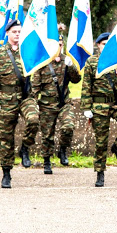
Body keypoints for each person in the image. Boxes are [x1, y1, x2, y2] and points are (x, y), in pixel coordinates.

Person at [0, 19, 39, 189]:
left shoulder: (28, 50)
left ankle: (25, 147)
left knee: (33, 120)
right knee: (6, 137)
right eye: (14, 32)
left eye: (19, 31)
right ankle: (6, 173)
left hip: (25, 96)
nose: (17, 34)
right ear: (7, 33)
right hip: (7, 99)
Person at [80, 32, 117, 187]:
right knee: (101, 141)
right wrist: (86, 107)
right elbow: (86, 85)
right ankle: (100, 172)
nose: (105, 46)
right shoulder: (92, 62)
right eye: (103, 43)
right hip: (99, 106)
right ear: (98, 45)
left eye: (108, 43)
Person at [31, 35, 82, 174]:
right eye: (55, 44)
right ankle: (47, 160)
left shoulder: (67, 60)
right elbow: (35, 87)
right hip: (47, 105)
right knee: (47, 135)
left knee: (68, 126)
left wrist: (71, 67)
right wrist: (34, 105)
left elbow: (77, 80)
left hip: (64, 103)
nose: (58, 47)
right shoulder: (42, 63)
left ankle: (62, 150)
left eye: (60, 44)